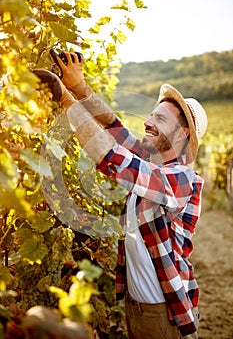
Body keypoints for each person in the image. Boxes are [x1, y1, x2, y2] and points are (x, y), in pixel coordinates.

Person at [33, 50, 208, 339]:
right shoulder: (152, 161)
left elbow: (112, 157)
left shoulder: (181, 180)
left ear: (182, 134)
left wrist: (65, 98)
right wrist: (79, 86)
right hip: (136, 306)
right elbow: (113, 127)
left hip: (162, 313)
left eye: (160, 120)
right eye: (150, 114)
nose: (148, 122)